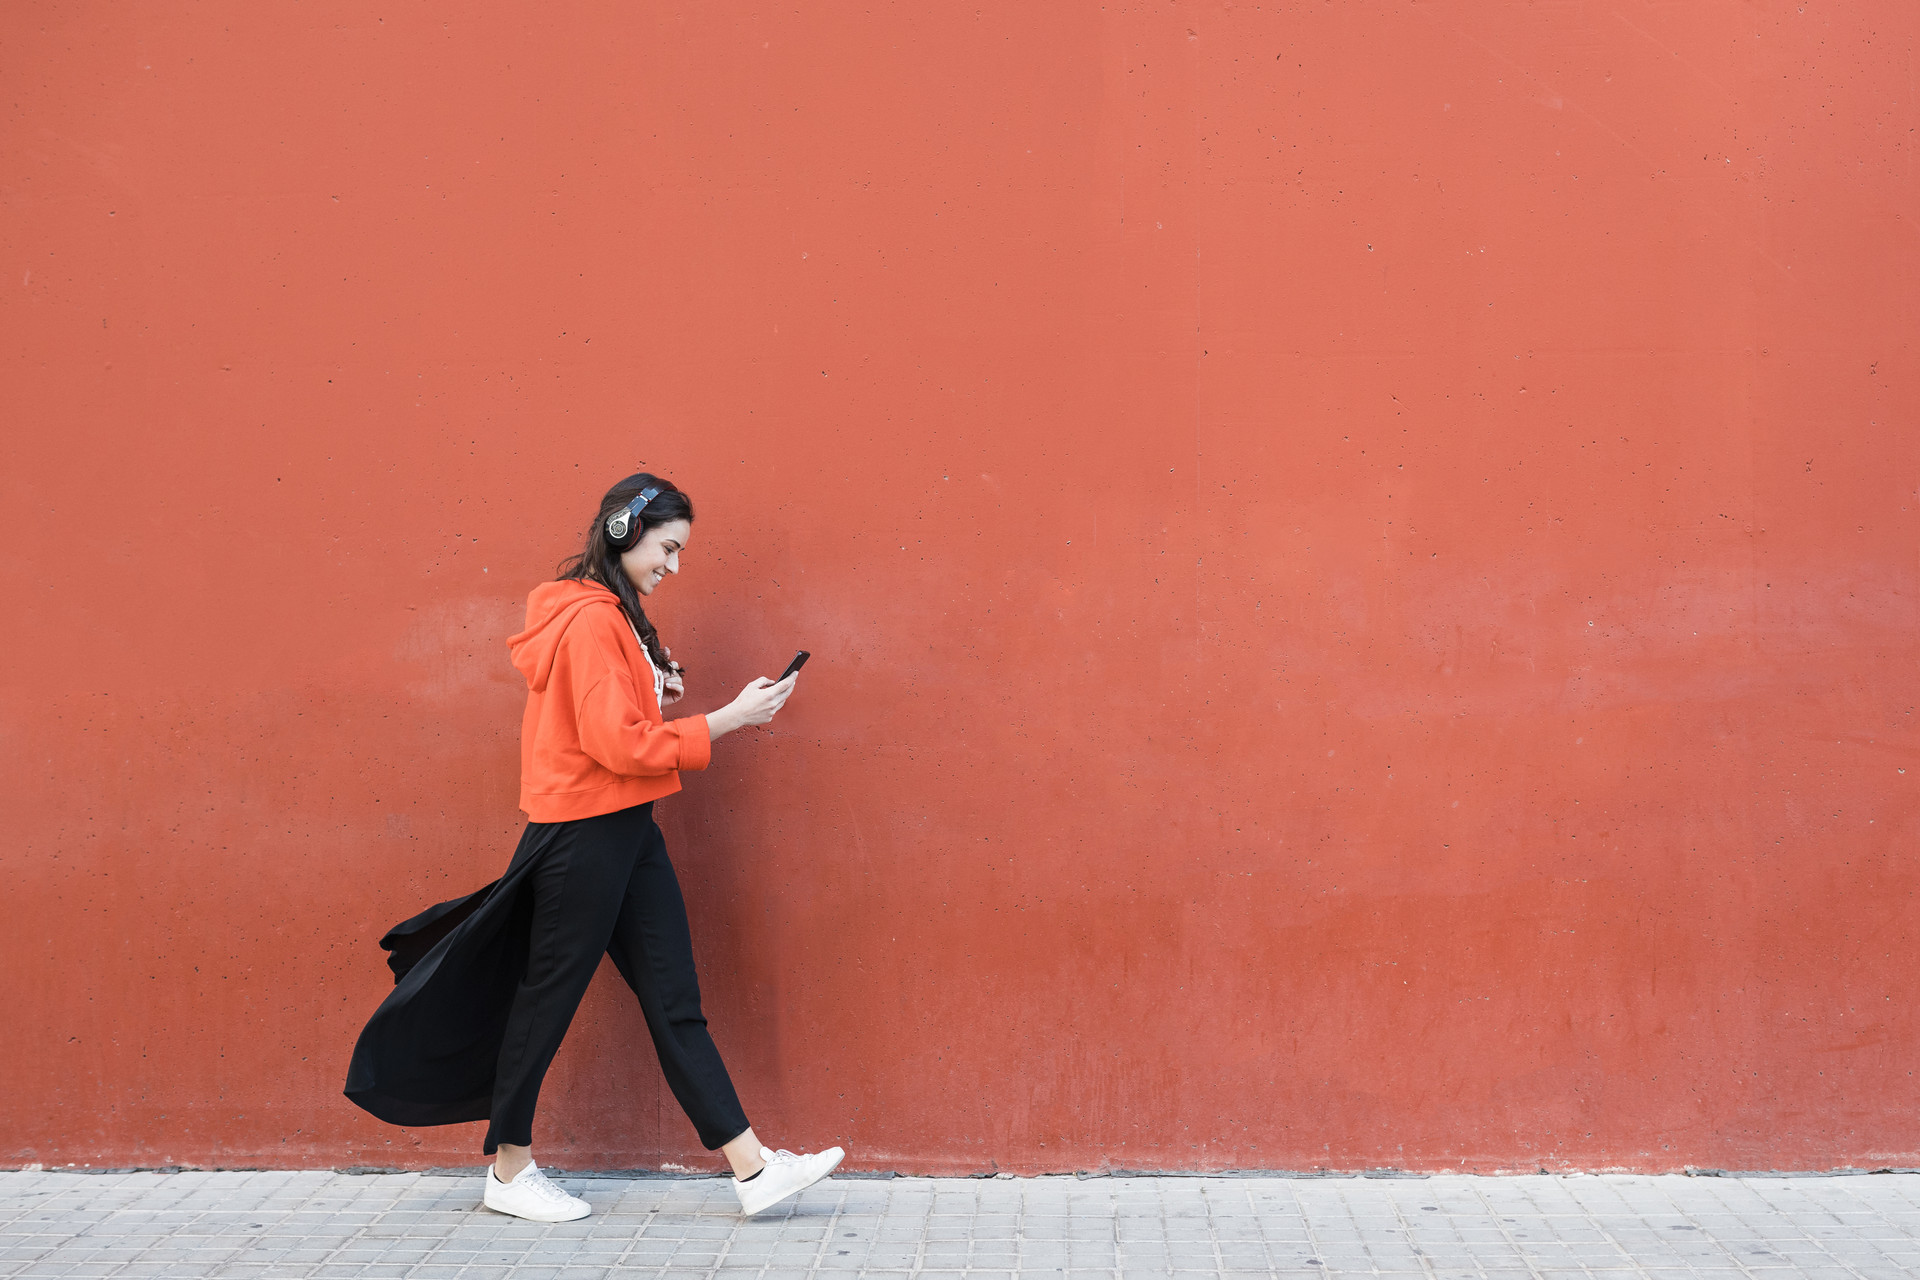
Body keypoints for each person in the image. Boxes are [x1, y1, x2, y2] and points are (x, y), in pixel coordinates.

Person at [345, 471, 844, 1220]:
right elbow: (617, 745)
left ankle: (752, 1170)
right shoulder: (588, 620)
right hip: (583, 834)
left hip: (627, 828)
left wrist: (655, 687)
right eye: (666, 549)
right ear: (623, 530)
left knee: (675, 999)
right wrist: (728, 719)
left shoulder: (613, 616)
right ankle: (510, 1174)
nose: (672, 567)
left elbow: (611, 725)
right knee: (545, 1004)